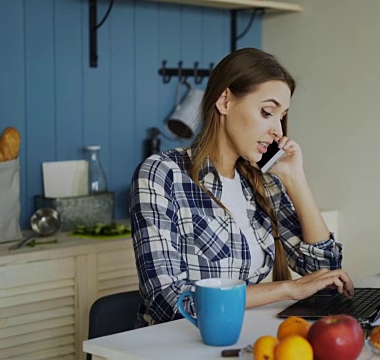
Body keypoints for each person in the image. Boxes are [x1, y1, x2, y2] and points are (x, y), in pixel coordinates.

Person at [130, 48, 354, 327]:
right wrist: (286, 289)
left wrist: (295, 179)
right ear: (225, 101)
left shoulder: (264, 180)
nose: (278, 131)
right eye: (267, 112)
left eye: (281, 116)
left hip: (247, 339)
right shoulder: (163, 174)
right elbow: (169, 302)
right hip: (182, 344)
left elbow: (324, 272)